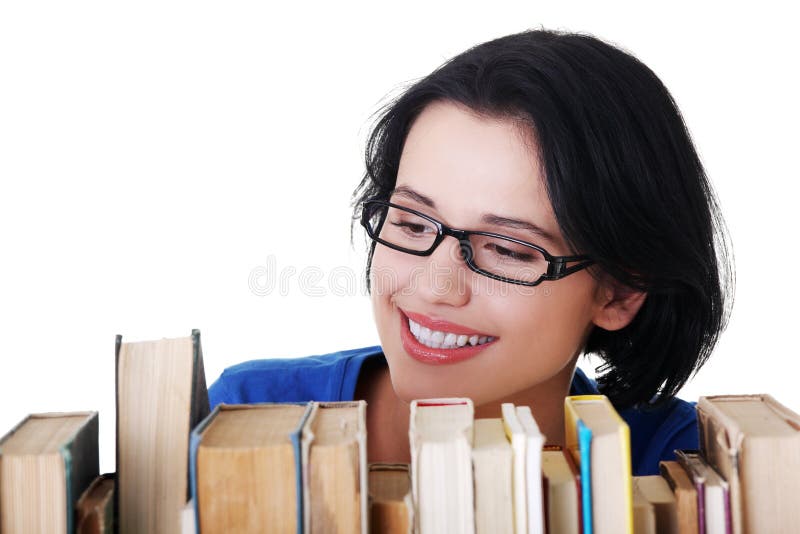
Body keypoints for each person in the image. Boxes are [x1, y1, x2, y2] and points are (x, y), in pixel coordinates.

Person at [208, 29, 734, 476]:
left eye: (507, 248)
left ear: (619, 292)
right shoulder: (244, 414)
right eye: (413, 223)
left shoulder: (686, 464)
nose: (435, 285)